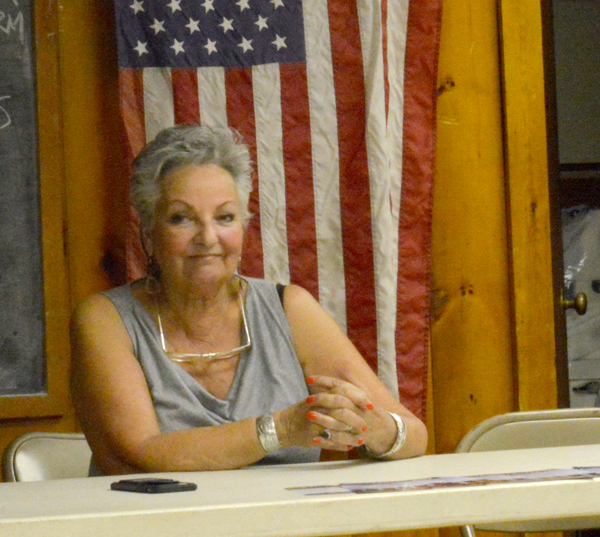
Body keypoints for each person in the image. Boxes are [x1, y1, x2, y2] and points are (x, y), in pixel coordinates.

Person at [70, 125, 427, 474]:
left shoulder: (289, 308)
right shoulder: (105, 319)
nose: (208, 237)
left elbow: (415, 435)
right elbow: (141, 453)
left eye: (225, 217)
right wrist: (280, 430)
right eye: (181, 218)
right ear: (149, 233)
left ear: (243, 228)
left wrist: (376, 430)